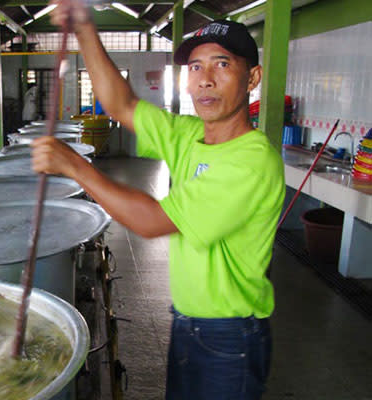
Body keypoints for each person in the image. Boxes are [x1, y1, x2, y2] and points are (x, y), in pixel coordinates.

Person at [31, 1, 286, 399]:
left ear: (252, 77)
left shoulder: (252, 160)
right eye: (196, 68)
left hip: (230, 335)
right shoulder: (189, 135)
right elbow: (122, 105)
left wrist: (76, 168)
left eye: (222, 65)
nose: (205, 80)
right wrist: (84, 29)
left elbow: (152, 221)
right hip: (187, 321)